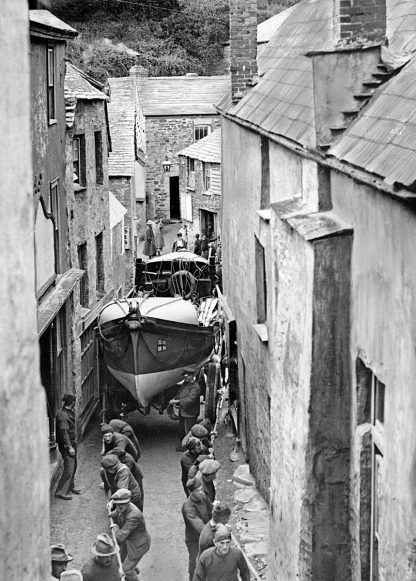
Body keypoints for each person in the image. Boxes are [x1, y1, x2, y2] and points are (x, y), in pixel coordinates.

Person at [109, 488, 151, 581]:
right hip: (130, 540)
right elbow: (117, 513)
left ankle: (133, 576)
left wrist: (116, 528)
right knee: (122, 560)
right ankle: (133, 571)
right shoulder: (124, 508)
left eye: (122, 504)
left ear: (128, 503)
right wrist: (110, 513)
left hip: (139, 545)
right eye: (117, 504)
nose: (119, 507)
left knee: (126, 569)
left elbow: (120, 537)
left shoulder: (133, 515)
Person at [182, 477, 212, 581]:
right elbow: (197, 524)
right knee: (194, 564)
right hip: (194, 539)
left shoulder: (203, 497)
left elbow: (210, 512)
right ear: (190, 492)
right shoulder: (187, 506)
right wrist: (212, 533)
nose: (201, 492)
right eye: (197, 490)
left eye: (201, 489)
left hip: (206, 536)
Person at [55, 394, 80, 500]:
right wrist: (69, 447)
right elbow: (64, 432)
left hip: (72, 443)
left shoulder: (68, 412)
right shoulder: (63, 416)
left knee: (74, 465)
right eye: (75, 401)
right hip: (67, 445)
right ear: (72, 402)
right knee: (69, 467)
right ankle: (60, 491)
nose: (75, 403)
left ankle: (70, 486)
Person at [176, 372, 201, 451]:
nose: (186, 378)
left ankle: (190, 448)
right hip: (183, 411)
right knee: (181, 430)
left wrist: (177, 401)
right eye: (185, 377)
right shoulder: (185, 383)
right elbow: (179, 392)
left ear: (193, 376)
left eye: (188, 376)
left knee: (189, 431)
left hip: (191, 413)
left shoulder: (196, 387)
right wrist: (175, 398)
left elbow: (190, 400)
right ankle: (183, 446)